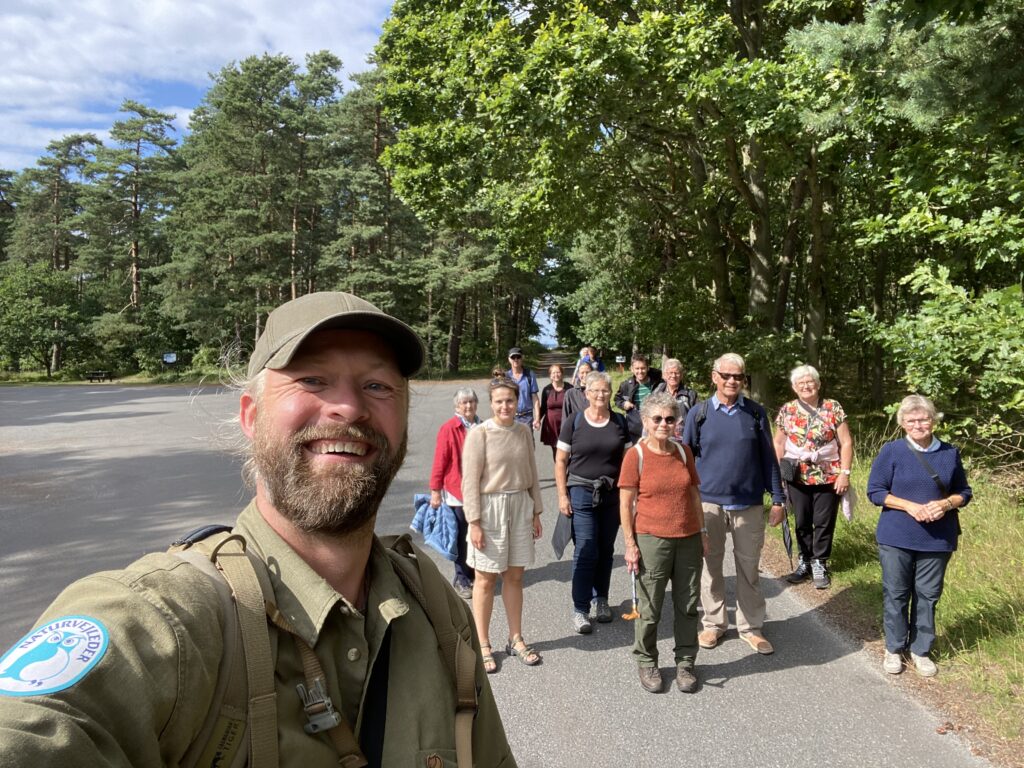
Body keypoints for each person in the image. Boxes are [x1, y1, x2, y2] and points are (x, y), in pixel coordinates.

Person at [0, 291, 515, 766]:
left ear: (402, 420)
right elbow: (37, 730)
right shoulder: (173, 619)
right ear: (251, 416)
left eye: (377, 386)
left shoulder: (437, 610)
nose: (350, 407)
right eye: (312, 380)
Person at [681, 352, 785, 655]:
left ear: (743, 380)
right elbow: (686, 459)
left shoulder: (755, 413)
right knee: (710, 568)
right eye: (726, 375)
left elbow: (769, 460)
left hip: (748, 504)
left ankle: (751, 627)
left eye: (737, 376)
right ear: (714, 376)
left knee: (749, 568)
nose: (731, 381)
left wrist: (777, 499)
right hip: (708, 504)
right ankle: (713, 624)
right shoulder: (698, 414)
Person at [866, 394, 971, 678]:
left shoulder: (949, 453)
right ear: (902, 423)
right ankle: (894, 647)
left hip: (938, 539)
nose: (918, 424)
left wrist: (945, 504)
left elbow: (964, 492)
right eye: (911, 420)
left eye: (923, 419)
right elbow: (875, 492)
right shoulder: (892, 451)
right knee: (896, 593)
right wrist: (909, 506)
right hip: (896, 535)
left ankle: (921, 650)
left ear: (933, 420)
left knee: (928, 595)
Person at [619, 392, 707, 693]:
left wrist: (703, 532)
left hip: (688, 538)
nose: (663, 424)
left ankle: (685, 662)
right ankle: (647, 661)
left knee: (688, 605)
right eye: (657, 418)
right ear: (645, 421)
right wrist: (630, 544)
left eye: (670, 419)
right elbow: (626, 503)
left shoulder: (683, 453)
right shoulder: (636, 456)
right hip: (652, 540)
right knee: (650, 606)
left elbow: (694, 494)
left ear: (677, 422)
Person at [462, 377, 544, 673]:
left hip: (520, 505)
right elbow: (469, 481)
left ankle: (516, 638)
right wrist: (474, 521)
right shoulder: (479, 434)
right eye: (499, 401)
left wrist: (536, 510)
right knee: (485, 579)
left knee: (515, 577)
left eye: (510, 400)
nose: (505, 406)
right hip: (489, 509)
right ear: (491, 403)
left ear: (517, 401)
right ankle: (483, 643)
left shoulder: (523, 432)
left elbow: (532, 472)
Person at [555, 371, 632, 635]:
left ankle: (601, 600)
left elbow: (628, 462)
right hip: (581, 492)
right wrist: (562, 495)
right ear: (586, 393)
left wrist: (629, 496)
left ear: (611, 394)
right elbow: (561, 461)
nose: (600, 395)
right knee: (586, 548)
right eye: (595, 390)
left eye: (605, 391)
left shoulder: (620, 423)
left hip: (611, 495)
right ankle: (580, 608)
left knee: (606, 549)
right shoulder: (574, 422)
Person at [773, 364, 854, 589]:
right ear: (794, 387)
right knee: (801, 521)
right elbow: (779, 442)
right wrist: (778, 473)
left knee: (823, 521)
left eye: (810, 382)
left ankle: (820, 562)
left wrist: (844, 473)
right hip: (797, 475)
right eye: (801, 383)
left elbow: (846, 442)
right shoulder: (787, 410)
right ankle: (804, 561)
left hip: (828, 475)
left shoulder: (832, 407)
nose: (806, 386)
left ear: (818, 384)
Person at [429, 387, 482, 599]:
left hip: (480, 491)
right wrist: (435, 490)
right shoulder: (449, 428)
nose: (468, 406)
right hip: (456, 492)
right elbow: (440, 461)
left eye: (471, 402)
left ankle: (472, 572)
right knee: (461, 536)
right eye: (464, 403)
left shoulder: (483, 425)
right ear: (457, 406)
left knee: (476, 534)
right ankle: (462, 578)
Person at [614, 353, 663, 442]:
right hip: (634, 427)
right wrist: (624, 404)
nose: (640, 371)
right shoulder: (626, 385)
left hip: (654, 424)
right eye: (637, 368)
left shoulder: (657, 383)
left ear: (648, 368)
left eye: (643, 368)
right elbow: (617, 399)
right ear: (632, 369)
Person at [652, 358, 699, 438]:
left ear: (681, 375)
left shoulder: (690, 395)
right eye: (670, 373)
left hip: (683, 438)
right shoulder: (657, 393)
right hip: (662, 436)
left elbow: (697, 418)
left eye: (676, 373)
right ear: (665, 375)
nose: (673, 376)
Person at [505, 347, 540, 431]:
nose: (516, 359)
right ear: (509, 359)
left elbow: (535, 398)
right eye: (513, 357)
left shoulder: (530, 375)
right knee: (510, 443)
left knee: (527, 442)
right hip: (510, 416)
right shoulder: (506, 377)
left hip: (527, 417)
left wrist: (537, 418)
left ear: (522, 358)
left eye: (518, 357)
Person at [539, 364, 567, 459]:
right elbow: (543, 408)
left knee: (567, 450)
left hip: (565, 424)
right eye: (553, 373)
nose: (556, 374)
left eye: (558, 372)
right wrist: (537, 420)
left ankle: (567, 470)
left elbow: (573, 407)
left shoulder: (570, 388)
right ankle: (559, 472)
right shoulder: (547, 390)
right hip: (551, 425)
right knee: (556, 451)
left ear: (562, 374)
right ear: (550, 375)